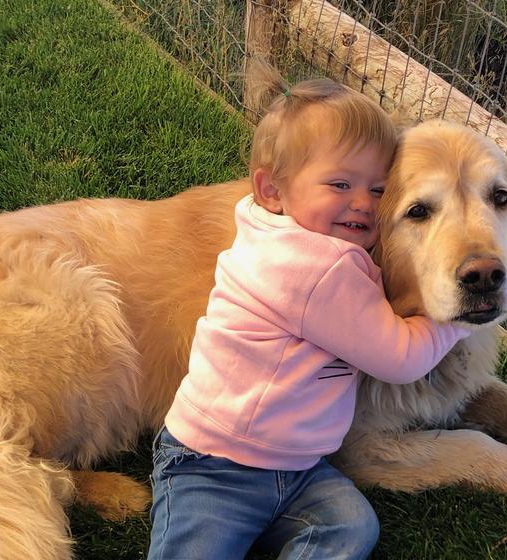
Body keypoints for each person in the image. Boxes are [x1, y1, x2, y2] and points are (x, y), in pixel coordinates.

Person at [147, 61, 470, 560]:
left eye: (378, 189)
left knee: (351, 525)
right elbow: (399, 358)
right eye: (340, 185)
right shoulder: (311, 270)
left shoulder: (276, 228)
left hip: (297, 469)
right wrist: (457, 316)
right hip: (215, 466)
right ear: (272, 191)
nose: (363, 203)